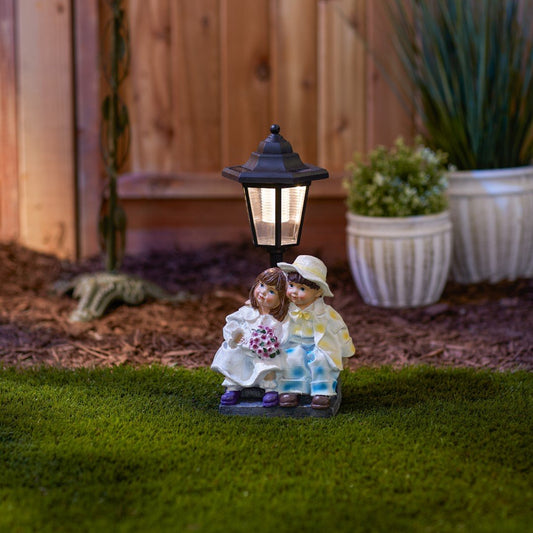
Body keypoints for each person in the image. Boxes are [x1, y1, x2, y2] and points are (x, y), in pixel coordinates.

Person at [276, 255, 355, 410]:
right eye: (291, 285)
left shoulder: (327, 313)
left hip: (318, 345)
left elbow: (341, 331)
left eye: (302, 289)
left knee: (321, 361)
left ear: (318, 292)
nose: (294, 292)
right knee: (292, 359)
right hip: (292, 344)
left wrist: (346, 353)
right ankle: (291, 389)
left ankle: (322, 392)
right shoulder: (285, 310)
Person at [211, 267, 290, 407]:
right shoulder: (246, 312)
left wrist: (270, 344)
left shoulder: (278, 320)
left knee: (269, 363)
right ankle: (233, 387)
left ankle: (270, 388)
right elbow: (232, 324)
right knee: (233, 356)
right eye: (261, 285)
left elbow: (284, 333)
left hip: (264, 351)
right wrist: (235, 336)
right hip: (244, 347)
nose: (263, 292)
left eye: (271, 291)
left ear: (281, 299)